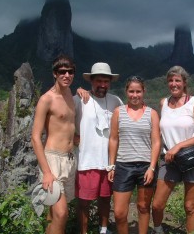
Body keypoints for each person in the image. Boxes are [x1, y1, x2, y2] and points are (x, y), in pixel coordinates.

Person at [151, 66, 194, 234]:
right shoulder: (164, 103)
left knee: (190, 206)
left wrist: (179, 146)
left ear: (184, 83)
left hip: (191, 158)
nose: (174, 84)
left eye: (177, 80)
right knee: (157, 205)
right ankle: (158, 230)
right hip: (169, 159)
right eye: (170, 80)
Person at [73, 62, 123, 234]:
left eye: (106, 81)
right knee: (84, 202)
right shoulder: (80, 100)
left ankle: (103, 229)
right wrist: (72, 135)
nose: (102, 85)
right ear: (91, 81)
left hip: (108, 162)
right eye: (98, 81)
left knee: (105, 198)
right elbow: (63, 120)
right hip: (86, 161)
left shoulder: (116, 101)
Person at [108, 76, 161, 234]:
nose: (135, 95)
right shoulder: (118, 112)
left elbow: (156, 142)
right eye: (131, 91)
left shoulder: (152, 114)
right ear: (126, 92)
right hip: (123, 165)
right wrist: (111, 165)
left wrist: (152, 167)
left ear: (144, 91)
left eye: (138, 91)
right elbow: (113, 139)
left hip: (146, 166)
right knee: (119, 212)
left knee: (144, 207)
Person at [31, 54, 77, 234]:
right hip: (52, 159)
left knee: (53, 214)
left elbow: (68, 127)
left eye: (70, 72)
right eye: (62, 72)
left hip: (69, 159)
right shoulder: (46, 99)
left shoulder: (71, 96)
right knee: (62, 213)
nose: (67, 75)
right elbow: (35, 137)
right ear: (54, 74)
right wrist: (47, 172)